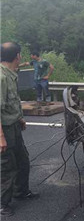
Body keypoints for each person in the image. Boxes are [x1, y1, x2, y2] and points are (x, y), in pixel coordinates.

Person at [0, 42, 39, 217]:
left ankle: (21, 192)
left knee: (23, 161)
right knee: (7, 167)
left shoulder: (11, 74)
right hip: (4, 129)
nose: (21, 57)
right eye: (20, 54)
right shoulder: (1, 77)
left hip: (13, 124)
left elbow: (12, 101)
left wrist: (20, 118)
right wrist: (1, 137)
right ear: (17, 56)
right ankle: (2, 204)